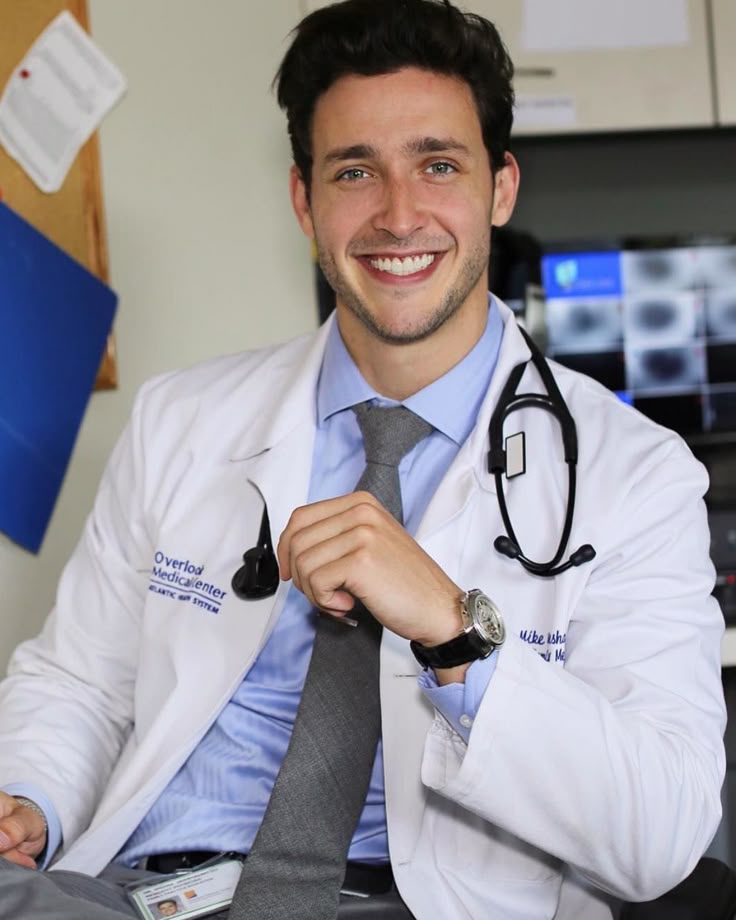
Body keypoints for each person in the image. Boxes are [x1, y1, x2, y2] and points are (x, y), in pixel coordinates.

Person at [0, 0, 726, 918]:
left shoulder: (637, 474)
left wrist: (454, 632)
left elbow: (661, 835)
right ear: (305, 201)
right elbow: (80, 683)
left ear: (501, 188)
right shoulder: (180, 419)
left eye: (438, 164)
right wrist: (30, 797)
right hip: (135, 898)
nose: (398, 214)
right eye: (354, 171)